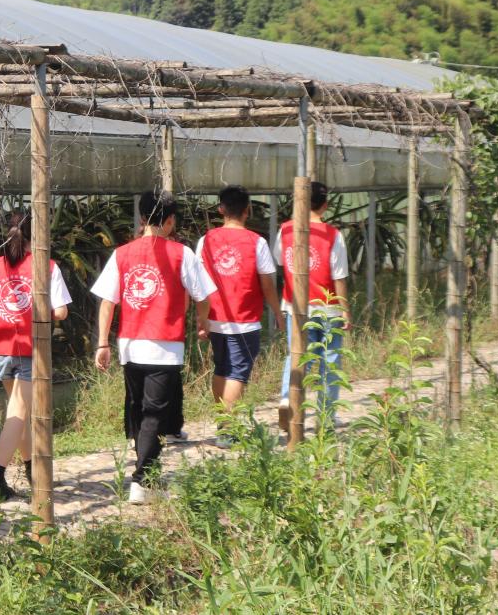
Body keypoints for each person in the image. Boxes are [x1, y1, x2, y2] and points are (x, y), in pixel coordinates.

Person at [91, 193, 215, 504]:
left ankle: (148, 470)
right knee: (152, 414)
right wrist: (203, 323)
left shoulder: (122, 254)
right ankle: (141, 479)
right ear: (171, 221)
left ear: (143, 218)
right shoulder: (182, 254)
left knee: (139, 408)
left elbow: (108, 300)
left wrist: (103, 342)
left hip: (130, 346)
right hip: (165, 347)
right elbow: (203, 295)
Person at [0, 211, 70, 501]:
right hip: (31, 348)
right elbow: (61, 311)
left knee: (19, 414)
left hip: (0, 347)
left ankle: (31, 470)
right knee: (18, 412)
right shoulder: (46, 266)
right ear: (38, 235)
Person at [196, 187, 282, 446]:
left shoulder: (206, 240)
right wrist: (277, 311)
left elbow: (199, 282)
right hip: (244, 321)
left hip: (215, 318)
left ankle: (224, 423)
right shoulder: (257, 242)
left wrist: (201, 319)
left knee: (222, 369)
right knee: (238, 373)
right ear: (248, 210)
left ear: (221, 209)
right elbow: (267, 283)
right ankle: (227, 429)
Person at [273, 181, 350, 430]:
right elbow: (339, 276)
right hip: (327, 308)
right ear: (325, 205)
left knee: (296, 355)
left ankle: (287, 398)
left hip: (295, 307)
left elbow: (281, 262)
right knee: (330, 360)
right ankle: (325, 415)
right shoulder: (332, 235)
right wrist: (345, 309)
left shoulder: (285, 231)